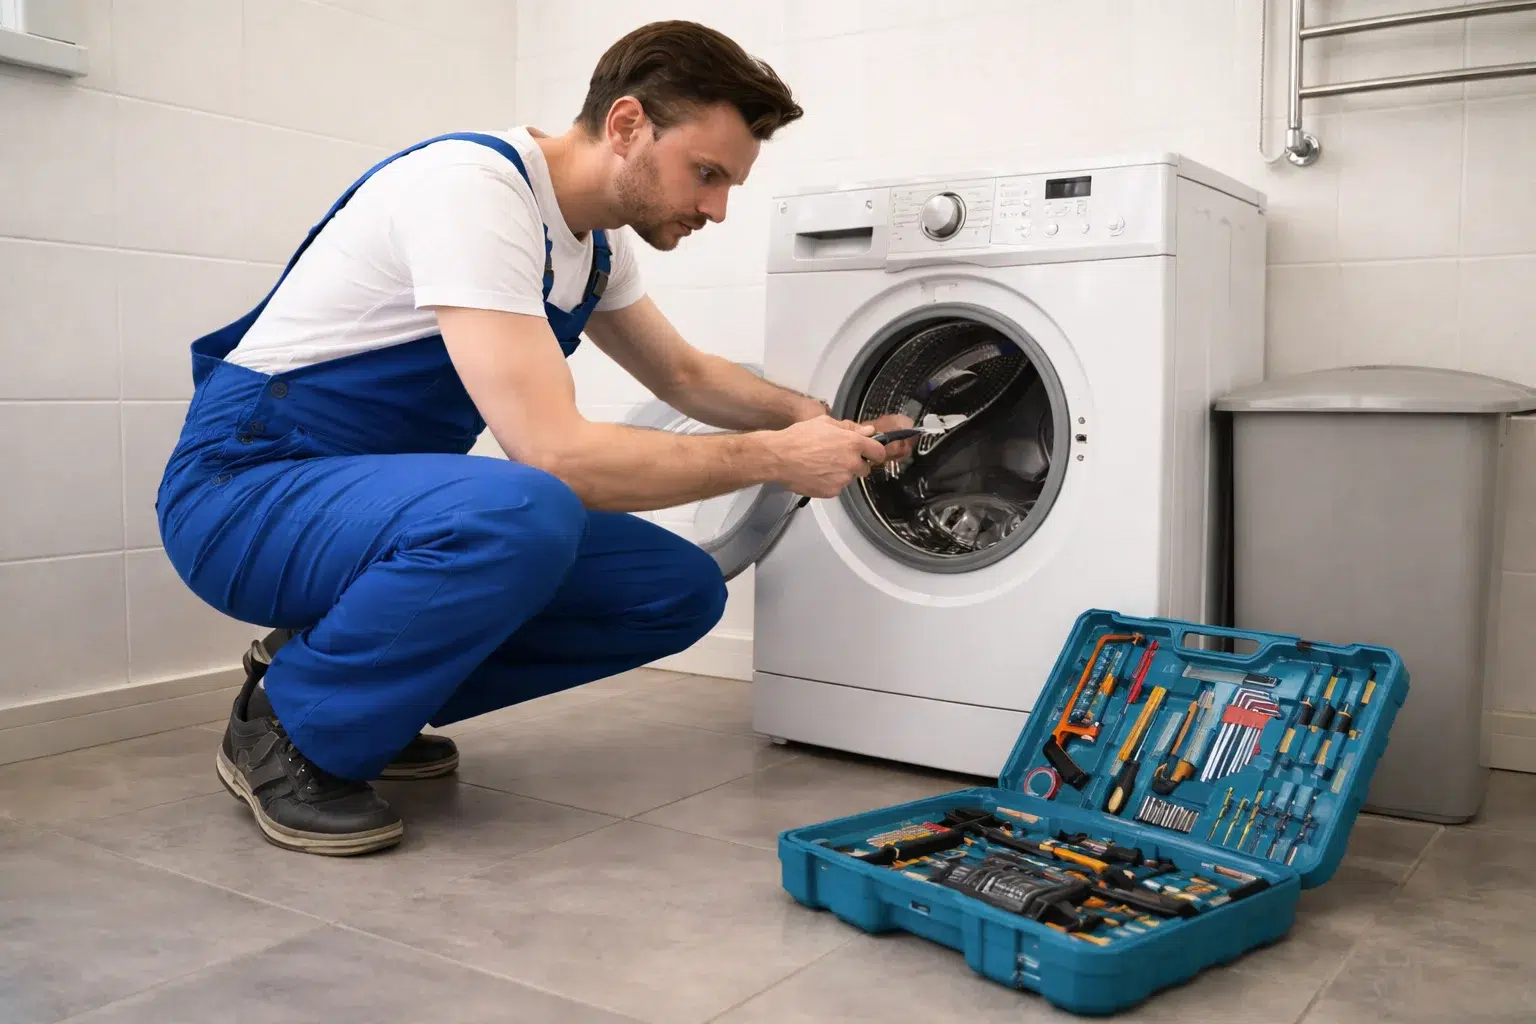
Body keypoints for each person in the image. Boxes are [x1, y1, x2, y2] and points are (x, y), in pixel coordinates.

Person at [156, 19, 912, 856]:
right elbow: (556, 456)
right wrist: (777, 459)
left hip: (352, 510)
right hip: (244, 491)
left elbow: (688, 379)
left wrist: (814, 417)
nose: (717, 209)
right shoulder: (471, 190)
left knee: (675, 588)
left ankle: (357, 691)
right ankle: (290, 729)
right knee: (525, 507)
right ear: (627, 125)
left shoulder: (592, 250)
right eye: (706, 175)